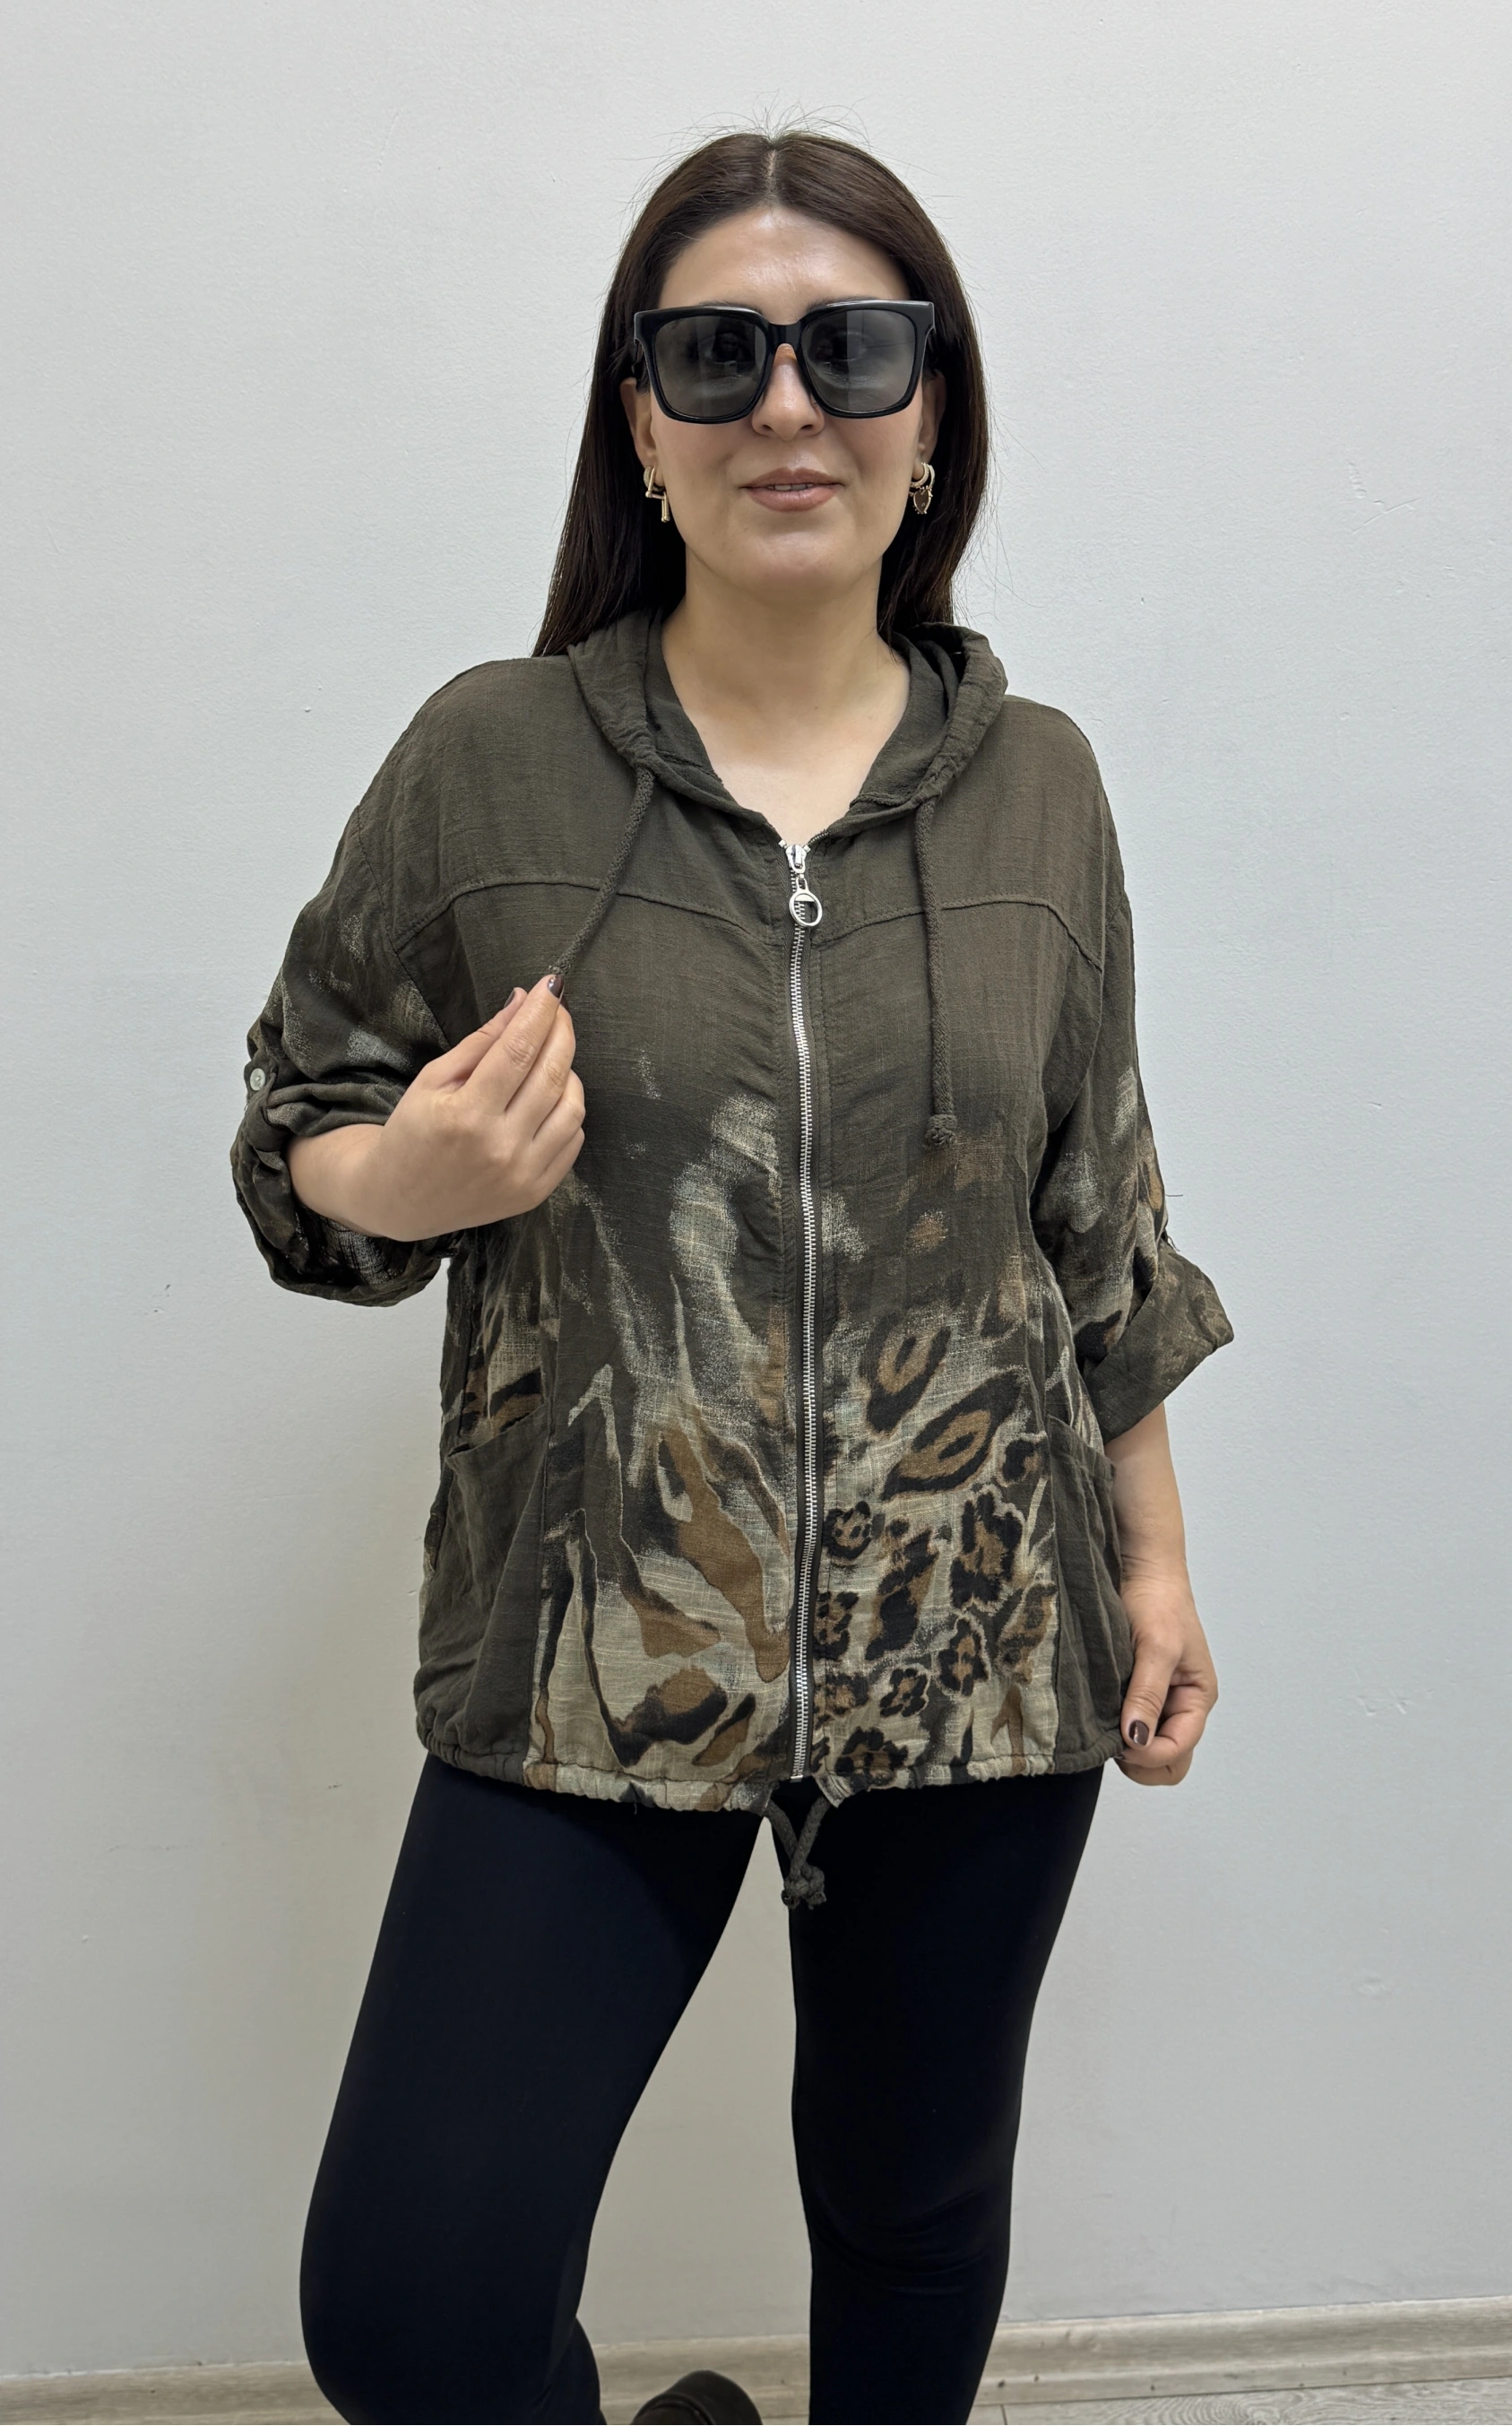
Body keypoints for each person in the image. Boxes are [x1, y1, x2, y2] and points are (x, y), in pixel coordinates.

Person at [231, 130, 1232, 2426]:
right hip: (596, 1639)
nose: (790, 401)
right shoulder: (492, 762)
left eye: (852, 348)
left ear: (931, 412)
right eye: (718, 354)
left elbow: (1097, 1212)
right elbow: (293, 1136)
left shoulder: (1041, 788)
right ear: (645, 424)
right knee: (415, 2306)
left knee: (909, 2212)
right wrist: (417, 1173)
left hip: (983, 1648)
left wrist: (1157, 1566)